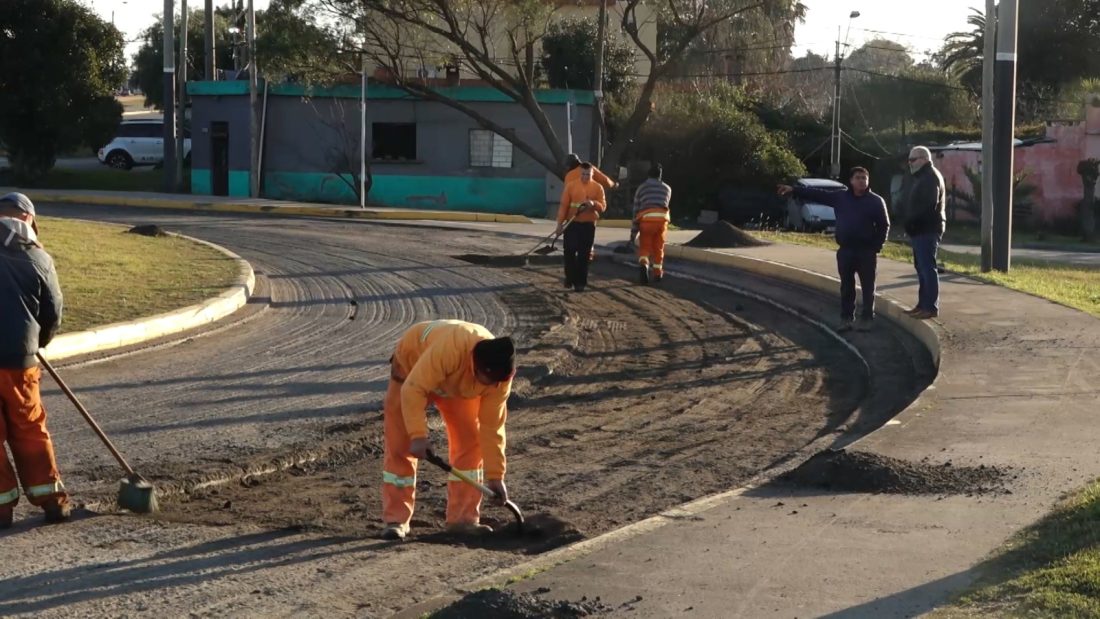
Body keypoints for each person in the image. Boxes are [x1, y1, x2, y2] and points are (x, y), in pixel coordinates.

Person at [380, 319, 516, 541]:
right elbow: (413, 389)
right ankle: (396, 520)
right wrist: (418, 435)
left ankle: (462, 520)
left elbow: (492, 427)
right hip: (411, 370)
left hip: (455, 386)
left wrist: (495, 476)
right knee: (400, 444)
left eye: (496, 383)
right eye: (489, 381)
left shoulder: (499, 380)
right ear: (476, 366)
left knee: (470, 442)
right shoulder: (452, 348)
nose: (492, 388)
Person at [0, 192, 69, 529]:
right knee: (29, 428)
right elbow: (53, 312)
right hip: (20, 362)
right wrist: (38, 343)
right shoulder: (39, 258)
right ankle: (52, 502)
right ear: (29, 219)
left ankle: (1, 511)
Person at [778, 168, 890, 332]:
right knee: (846, 286)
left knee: (868, 286)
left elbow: (884, 226)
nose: (862, 181)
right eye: (858, 178)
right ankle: (846, 319)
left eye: (865, 178)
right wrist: (795, 190)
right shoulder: (841, 197)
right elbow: (818, 194)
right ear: (851, 181)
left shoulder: (875, 201)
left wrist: (876, 246)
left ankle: (867, 318)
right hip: (845, 250)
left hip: (866, 251)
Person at [900, 146, 946, 319]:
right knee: (921, 268)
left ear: (924, 159)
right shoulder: (923, 176)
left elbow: (929, 205)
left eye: (913, 160)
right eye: (909, 160)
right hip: (921, 229)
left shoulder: (930, 177)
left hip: (927, 228)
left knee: (927, 268)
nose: (910, 163)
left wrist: (912, 222)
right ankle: (922, 304)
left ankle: (930, 307)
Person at [556, 163, 607, 292]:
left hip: (588, 225)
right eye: (583, 174)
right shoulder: (571, 186)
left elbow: (603, 206)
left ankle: (580, 283)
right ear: (580, 173)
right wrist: (559, 224)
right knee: (569, 251)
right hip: (572, 224)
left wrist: (593, 204)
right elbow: (563, 206)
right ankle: (569, 278)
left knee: (584, 255)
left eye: (588, 174)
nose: (585, 176)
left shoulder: (598, 187)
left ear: (592, 174)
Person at [564, 154, 616, 263]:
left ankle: (573, 265)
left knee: (571, 244)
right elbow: (605, 180)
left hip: (571, 216)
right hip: (589, 212)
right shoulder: (590, 169)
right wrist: (614, 184)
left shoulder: (568, 176)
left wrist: (562, 220)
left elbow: (566, 199)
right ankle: (588, 255)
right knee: (587, 240)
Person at [632, 163, 672, 284]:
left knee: (645, 246)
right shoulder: (667, 188)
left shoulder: (642, 188)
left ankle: (644, 265)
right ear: (660, 176)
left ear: (648, 175)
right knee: (659, 247)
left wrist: (633, 233)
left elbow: (636, 209)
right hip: (662, 221)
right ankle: (658, 273)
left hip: (647, 220)